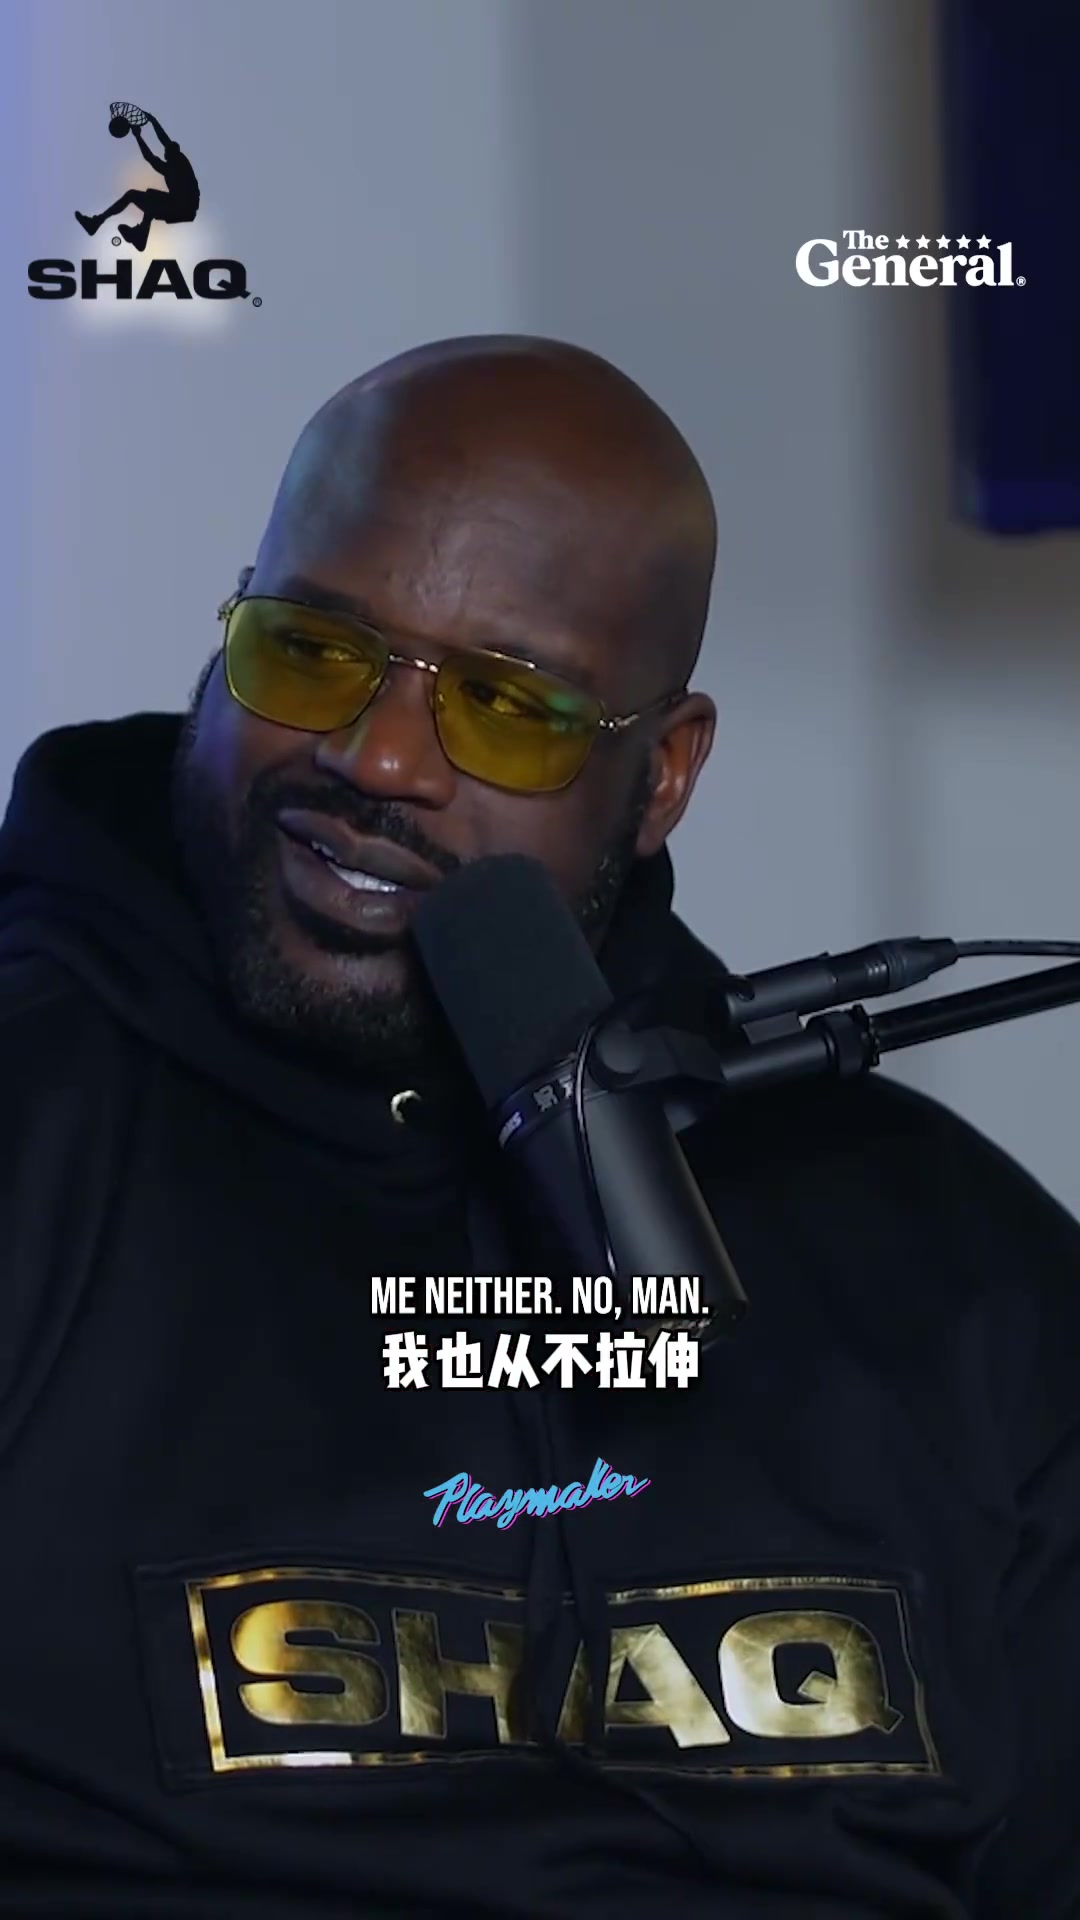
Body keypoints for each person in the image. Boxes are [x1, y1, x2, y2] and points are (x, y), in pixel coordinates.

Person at [0, 335, 1077, 1920]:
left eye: (506, 708)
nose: (376, 760)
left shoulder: (955, 1270)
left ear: (665, 772)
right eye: (311, 651)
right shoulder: (38, 1133)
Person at [76, 112, 200, 252]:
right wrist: (138, 136)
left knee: (146, 197)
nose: (166, 149)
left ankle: (130, 231)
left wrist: (154, 122)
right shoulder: (168, 168)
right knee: (143, 197)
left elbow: (163, 140)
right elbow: (149, 157)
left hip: (184, 206)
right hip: (180, 206)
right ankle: (136, 233)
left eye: (169, 148)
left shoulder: (180, 161)